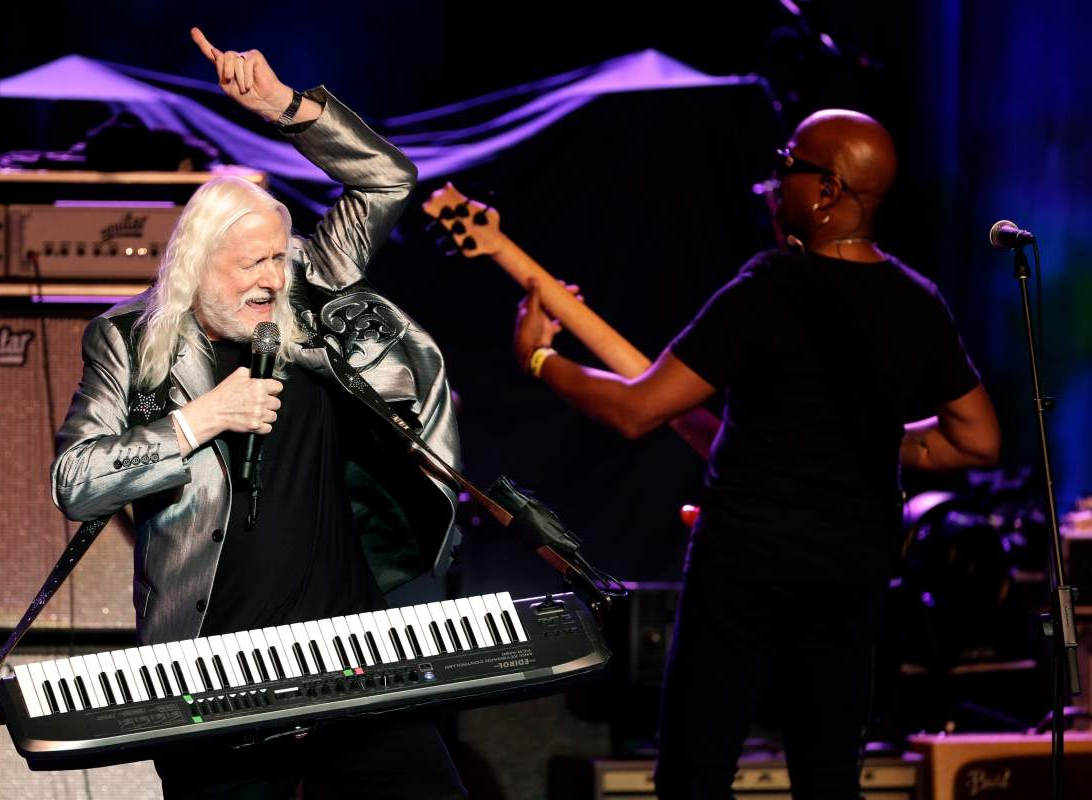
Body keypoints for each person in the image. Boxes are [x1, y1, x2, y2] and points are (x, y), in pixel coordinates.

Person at [511, 109, 1000, 799]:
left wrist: (537, 357)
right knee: (829, 777)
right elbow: (976, 439)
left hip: (746, 563)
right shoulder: (916, 300)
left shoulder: (769, 287)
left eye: (787, 167)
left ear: (828, 190)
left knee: (695, 773)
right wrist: (874, 441)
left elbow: (636, 408)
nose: (774, 183)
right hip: (853, 571)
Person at [51, 28, 466, 799]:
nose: (274, 281)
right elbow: (77, 481)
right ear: (196, 265)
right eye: (254, 264)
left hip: (352, 651)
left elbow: (387, 180)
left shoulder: (307, 291)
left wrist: (284, 106)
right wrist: (199, 419)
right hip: (214, 667)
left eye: (281, 258)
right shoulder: (128, 339)